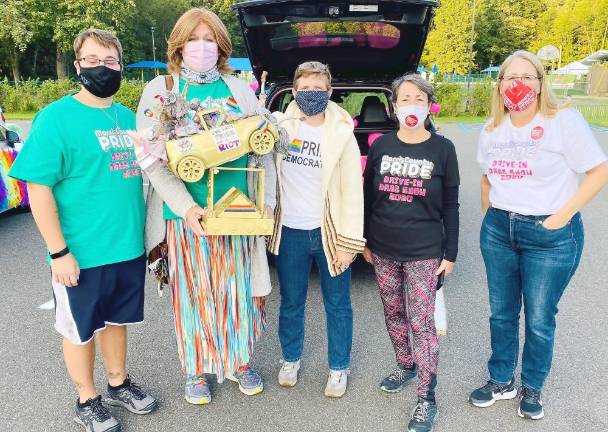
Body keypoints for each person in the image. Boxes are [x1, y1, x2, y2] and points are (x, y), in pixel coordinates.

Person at [9, 29, 157, 432]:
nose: (102, 68)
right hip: (80, 253)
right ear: (77, 66)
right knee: (80, 329)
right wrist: (58, 252)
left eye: (110, 61)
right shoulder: (56, 118)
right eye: (92, 60)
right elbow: (37, 189)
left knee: (116, 321)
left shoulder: (129, 119)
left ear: (121, 66)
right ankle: (87, 399)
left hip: (126, 247)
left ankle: (117, 382)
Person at [135, 8, 276, 405]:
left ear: (221, 46)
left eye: (209, 39)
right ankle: (196, 367)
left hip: (237, 210)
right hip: (185, 217)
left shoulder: (239, 88)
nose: (202, 46)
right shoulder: (162, 90)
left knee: (238, 289)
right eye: (194, 39)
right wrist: (184, 208)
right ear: (179, 44)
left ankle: (239, 359)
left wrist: (265, 202)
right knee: (195, 292)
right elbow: (150, 160)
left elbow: (262, 148)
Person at [469, 50, 608, 420]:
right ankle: (501, 380)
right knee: (501, 313)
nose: (518, 84)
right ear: (499, 86)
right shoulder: (492, 129)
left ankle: (532, 386)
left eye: (527, 76)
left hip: (550, 235)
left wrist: (559, 218)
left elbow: (598, 171)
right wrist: (491, 220)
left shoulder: (562, 121)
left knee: (540, 317)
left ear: (541, 82)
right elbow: (486, 179)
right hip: (500, 230)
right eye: (510, 77)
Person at [362, 73, 460, 432]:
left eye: (419, 98)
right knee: (393, 314)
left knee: (422, 323)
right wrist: (365, 242)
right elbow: (368, 198)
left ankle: (426, 397)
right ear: (394, 106)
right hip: (384, 249)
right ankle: (405, 365)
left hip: (424, 251)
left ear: (429, 105)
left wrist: (450, 254)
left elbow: (451, 204)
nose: (411, 105)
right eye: (405, 98)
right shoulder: (381, 146)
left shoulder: (443, 148)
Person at [268, 61, 365, 398]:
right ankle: (290, 359)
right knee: (291, 301)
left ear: (329, 91)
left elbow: (352, 190)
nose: (312, 94)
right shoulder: (280, 126)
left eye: (319, 89)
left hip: (328, 233)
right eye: (305, 89)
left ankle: (339, 367)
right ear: (294, 92)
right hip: (291, 232)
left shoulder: (342, 132)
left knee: (338, 304)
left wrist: (349, 242)